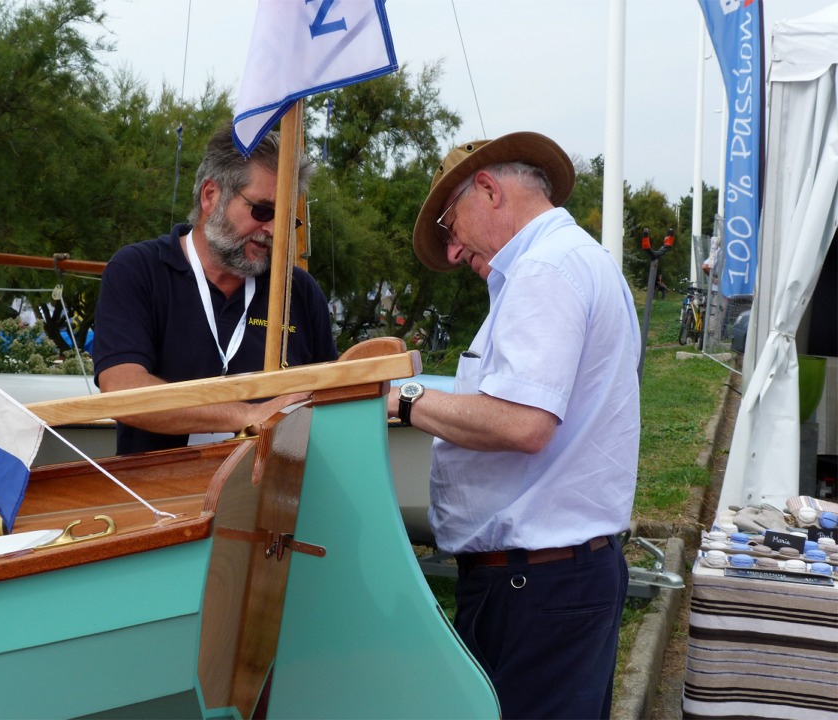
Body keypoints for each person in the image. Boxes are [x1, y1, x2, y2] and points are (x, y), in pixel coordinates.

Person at [389, 132, 641, 719]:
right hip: (555, 580)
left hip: (538, 587)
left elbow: (524, 423)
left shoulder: (546, 269)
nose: (453, 253)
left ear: (487, 189)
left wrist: (401, 399)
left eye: (451, 228)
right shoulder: (578, 259)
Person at [93, 126, 338, 455]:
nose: (273, 229)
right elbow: (122, 390)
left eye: (286, 218)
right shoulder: (138, 270)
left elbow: (331, 399)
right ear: (211, 196)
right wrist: (247, 415)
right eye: (263, 211)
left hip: (270, 498)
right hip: (162, 499)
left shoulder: (298, 291)